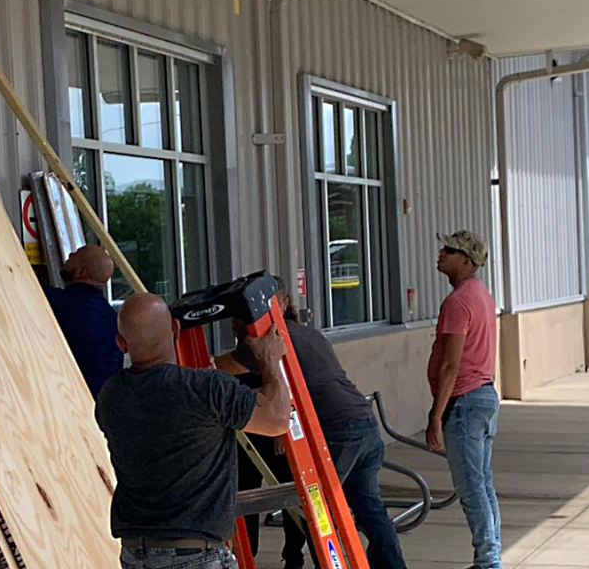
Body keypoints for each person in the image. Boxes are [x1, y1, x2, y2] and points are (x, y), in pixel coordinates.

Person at [216, 276, 407, 569]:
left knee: (318, 510)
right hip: (364, 423)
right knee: (370, 509)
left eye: (239, 318)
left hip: (337, 431)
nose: (236, 326)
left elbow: (218, 369)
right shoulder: (307, 333)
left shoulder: (270, 339)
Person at [96, 292, 291, 569]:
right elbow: (277, 419)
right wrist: (271, 360)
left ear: (121, 344)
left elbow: (164, 407)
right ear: (176, 329)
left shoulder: (111, 395)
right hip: (196, 554)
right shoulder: (206, 388)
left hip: (135, 553)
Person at [425, 230, 500, 569]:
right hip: (483, 397)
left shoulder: (457, 302)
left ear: (467, 261)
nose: (441, 253)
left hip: (465, 402)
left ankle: (488, 562)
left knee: (471, 490)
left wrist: (436, 416)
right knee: (483, 484)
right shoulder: (481, 294)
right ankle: (489, 556)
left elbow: (451, 364)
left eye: (450, 250)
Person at [43, 244, 124, 398]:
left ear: (81, 272)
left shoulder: (54, 302)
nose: (70, 254)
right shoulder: (113, 321)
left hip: (64, 398)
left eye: (76, 255)